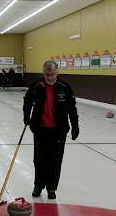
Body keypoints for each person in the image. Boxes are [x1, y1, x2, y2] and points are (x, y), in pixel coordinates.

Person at [23, 59, 79, 200]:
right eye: (47, 74)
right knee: (39, 160)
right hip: (40, 130)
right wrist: (26, 116)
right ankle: (38, 185)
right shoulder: (37, 85)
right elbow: (28, 100)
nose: (49, 77)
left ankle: (51, 188)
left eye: (52, 74)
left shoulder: (64, 87)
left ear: (57, 72)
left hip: (58, 131)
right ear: (43, 73)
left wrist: (75, 125)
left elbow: (72, 108)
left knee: (55, 161)